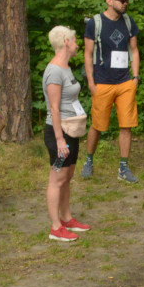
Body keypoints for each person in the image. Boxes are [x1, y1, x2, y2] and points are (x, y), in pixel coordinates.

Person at [83, 0, 141, 182]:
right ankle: (88, 161)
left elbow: (134, 50)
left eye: (126, 1)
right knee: (98, 125)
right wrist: (91, 82)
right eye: (121, 0)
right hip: (102, 82)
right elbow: (88, 53)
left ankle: (123, 168)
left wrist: (135, 78)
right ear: (109, 1)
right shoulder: (94, 23)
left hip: (125, 82)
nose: (125, 4)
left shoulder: (128, 22)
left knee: (127, 125)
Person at [42, 26, 90, 242]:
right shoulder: (54, 71)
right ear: (65, 42)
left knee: (68, 176)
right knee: (57, 178)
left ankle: (67, 218)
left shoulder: (66, 68)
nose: (77, 43)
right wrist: (60, 139)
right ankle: (55, 227)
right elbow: (54, 108)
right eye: (74, 40)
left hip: (72, 129)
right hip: (58, 132)